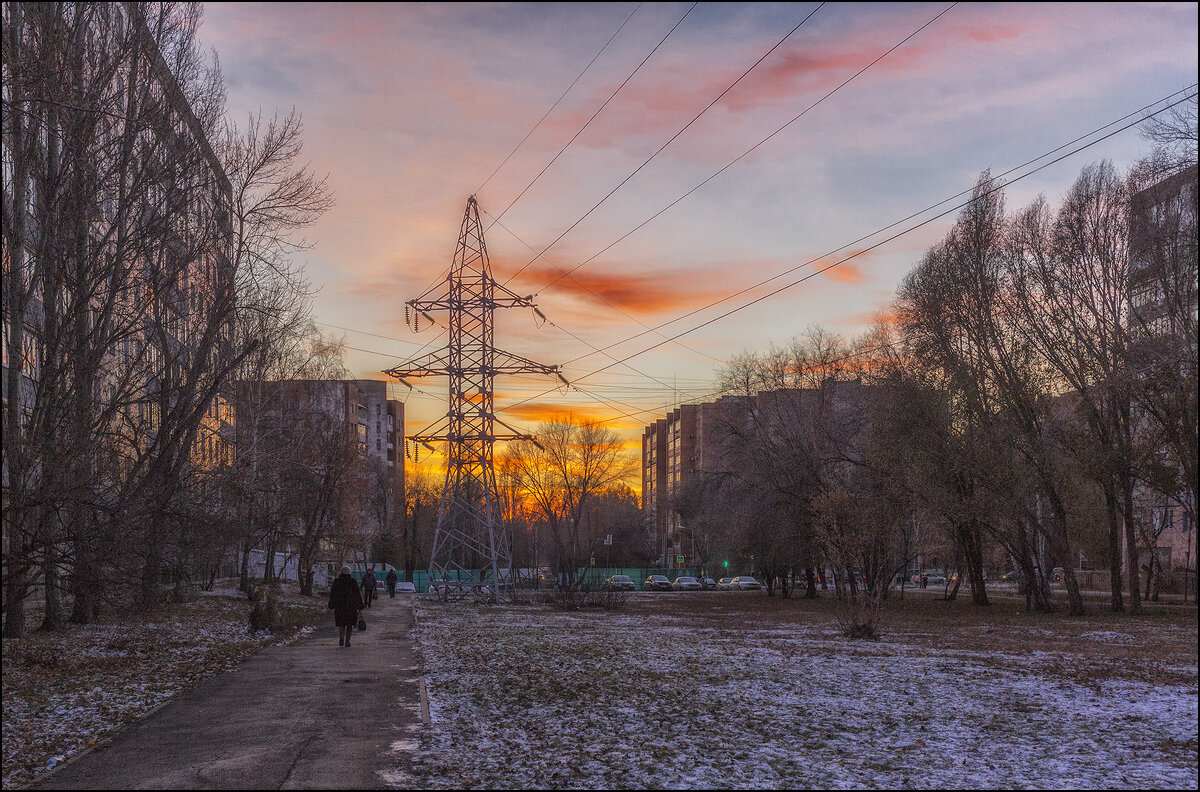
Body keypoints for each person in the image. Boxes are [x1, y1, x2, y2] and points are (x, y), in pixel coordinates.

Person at [328, 565, 364, 647]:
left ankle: (341, 637)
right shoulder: (353, 582)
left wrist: (332, 603)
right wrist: (360, 605)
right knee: (350, 624)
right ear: (349, 572)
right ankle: (347, 641)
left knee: (341, 623)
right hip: (351, 607)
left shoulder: (337, 582)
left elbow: (333, 594)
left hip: (340, 606)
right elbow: (357, 594)